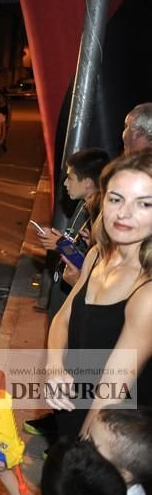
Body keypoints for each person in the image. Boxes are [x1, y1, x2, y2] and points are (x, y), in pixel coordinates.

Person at [45, 150, 152, 438]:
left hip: (115, 429)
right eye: (116, 198)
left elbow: (111, 393)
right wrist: (55, 367)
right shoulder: (96, 256)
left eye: (144, 203)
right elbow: (63, 319)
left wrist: (80, 454)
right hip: (73, 402)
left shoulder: (147, 291)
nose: (124, 213)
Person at [0, 407, 152, 495]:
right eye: (86, 435)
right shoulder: (85, 484)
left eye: (91, 444)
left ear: (124, 474)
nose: (81, 442)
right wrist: (4, 472)